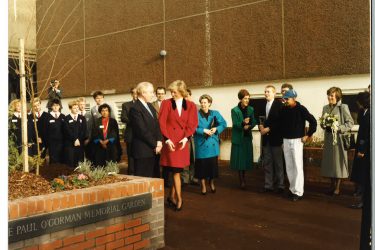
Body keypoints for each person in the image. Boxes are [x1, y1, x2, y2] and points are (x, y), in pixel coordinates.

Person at [159, 80, 198, 211]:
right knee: (175, 171)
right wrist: (167, 139)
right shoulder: (166, 103)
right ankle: (179, 199)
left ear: (182, 92)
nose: (172, 94)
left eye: (174, 92)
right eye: (171, 92)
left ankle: (171, 197)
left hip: (181, 143)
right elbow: (162, 123)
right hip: (170, 142)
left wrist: (186, 138)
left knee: (176, 170)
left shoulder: (191, 106)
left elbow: (192, 124)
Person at [279, 89, 317, 201]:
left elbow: (313, 121)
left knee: (297, 166)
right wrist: (282, 140)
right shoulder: (283, 109)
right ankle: (292, 189)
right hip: (286, 140)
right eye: (284, 98)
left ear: (294, 98)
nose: (285, 101)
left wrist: (308, 135)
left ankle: (299, 192)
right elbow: (281, 124)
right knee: (289, 166)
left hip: (297, 141)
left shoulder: (301, 109)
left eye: (287, 99)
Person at [320, 87, 354, 195]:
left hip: (338, 139)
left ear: (337, 97)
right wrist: (323, 124)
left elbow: (350, 123)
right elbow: (323, 122)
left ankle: (337, 188)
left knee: (338, 164)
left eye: (332, 95)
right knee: (330, 163)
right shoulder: (325, 108)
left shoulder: (343, 107)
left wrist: (339, 127)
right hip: (329, 139)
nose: (329, 97)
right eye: (329, 95)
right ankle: (332, 185)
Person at [194, 94, 227, 194]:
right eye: (202, 103)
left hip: (212, 144)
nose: (203, 105)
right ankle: (203, 186)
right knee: (202, 168)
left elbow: (224, 124)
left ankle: (211, 183)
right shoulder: (195, 115)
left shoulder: (215, 113)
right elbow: (192, 128)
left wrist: (216, 129)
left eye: (205, 103)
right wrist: (203, 130)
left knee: (212, 168)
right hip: (201, 144)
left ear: (209, 104)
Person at [350, 92, 370, 250]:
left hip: (365, 149)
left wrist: (362, 148)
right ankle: (361, 199)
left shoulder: (369, 113)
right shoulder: (365, 112)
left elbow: (367, 132)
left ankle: (362, 200)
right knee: (360, 175)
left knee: (363, 175)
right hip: (362, 147)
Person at [130, 82, 163, 177]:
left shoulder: (150, 106)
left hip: (154, 150)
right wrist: (155, 144)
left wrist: (159, 141)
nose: (153, 94)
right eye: (151, 92)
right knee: (144, 179)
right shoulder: (135, 108)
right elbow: (141, 130)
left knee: (155, 178)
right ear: (143, 93)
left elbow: (157, 125)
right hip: (143, 151)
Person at [258, 85, 284, 193]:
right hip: (265, 139)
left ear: (274, 93)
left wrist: (268, 129)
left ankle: (281, 185)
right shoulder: (262, 105)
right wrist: (260, 127)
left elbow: (281, 121)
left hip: (276, 138)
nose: (266, 93)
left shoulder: (279, 105)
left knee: (278, 163)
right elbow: (259, 118)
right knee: (267, 162)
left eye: (268, 91)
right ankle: (268, 185)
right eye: (265, 91)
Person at [230, 89, 257, 189]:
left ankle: (244, 178)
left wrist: (249, 126)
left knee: (245, 160)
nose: (247, 100)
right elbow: (235, 124)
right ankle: (242, 181)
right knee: (240, 160)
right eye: (245, 98)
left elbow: (254, 121)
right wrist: (243, 123)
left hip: (247, 137)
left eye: (248, 99)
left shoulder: (251, 109)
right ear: (240, 99)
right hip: (238, 138)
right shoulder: (234, 110)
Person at [63, 100, 87, 168]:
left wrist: (78, 139)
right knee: (71, 161)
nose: (76, 109)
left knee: (80, 161)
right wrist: (74, 139)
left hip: (80, 143)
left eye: (77, 107)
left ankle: (81, 177)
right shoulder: (66, 118)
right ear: (70, 108)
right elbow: (67, 131)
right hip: (70, 144)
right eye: (74, 108)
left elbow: (83, 130)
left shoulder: (82, 118)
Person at [121, 87, 138, 175]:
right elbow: (123, 118)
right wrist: (135, 121)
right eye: (135, 93)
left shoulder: (146, 104)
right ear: (132, 94)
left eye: (138, 93)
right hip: (131, 134)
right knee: (131, 155)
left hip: (142, 136)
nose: (136, 95)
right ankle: (131, 173)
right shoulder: (126, 105)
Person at [45, 99, 65, 164]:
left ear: (59, 106)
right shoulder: (47, 116)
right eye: (54, 105)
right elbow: (45, 129)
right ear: (51, 106)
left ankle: (61, 173)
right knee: (53, 159)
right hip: (51, 142)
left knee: (61, 158)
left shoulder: (63, 116)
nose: (56, 107)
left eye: (57, 105)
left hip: (61, 141)